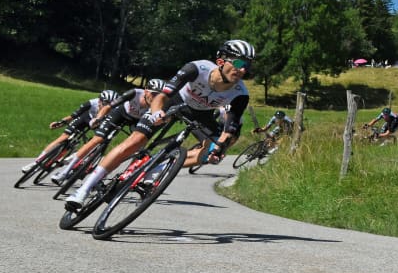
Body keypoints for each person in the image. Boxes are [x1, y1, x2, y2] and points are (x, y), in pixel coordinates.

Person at [64, 40, 255, 211]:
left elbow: (230, 126)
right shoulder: (197, 68)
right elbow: (162, 96)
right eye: (239, 63)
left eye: (247, 65)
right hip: (175, 100)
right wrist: (156, 113)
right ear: (221, 61)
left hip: (202, 114)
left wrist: (220, 147)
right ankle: (83, 190)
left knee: (210, 153)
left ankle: (155, 167)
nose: (243, 70)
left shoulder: (240, 93)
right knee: (136, 140)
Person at [50, 80, 166, 184]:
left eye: (158, 96)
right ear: (146, 90)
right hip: (120, 114)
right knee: (98, 139)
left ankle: (126, 177)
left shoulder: (158, 106)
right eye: (153, 94)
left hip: (136, 121)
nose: (156, 98)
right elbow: (108, 107)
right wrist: (98, 118)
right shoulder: (134, 93)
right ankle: (65, 172)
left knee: (136, 145)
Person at [21, 90, 119, 173]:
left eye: (110, 105)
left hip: (101, 124)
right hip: (85, 118)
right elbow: (73, 115)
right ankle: (36, 162)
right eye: (105, 103)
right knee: (63, 137)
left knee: (95, 142)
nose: (107, 107)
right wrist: (61, 122)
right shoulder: (91, 103)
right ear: (99, 101)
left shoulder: (115, 110)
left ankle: (74, 157)